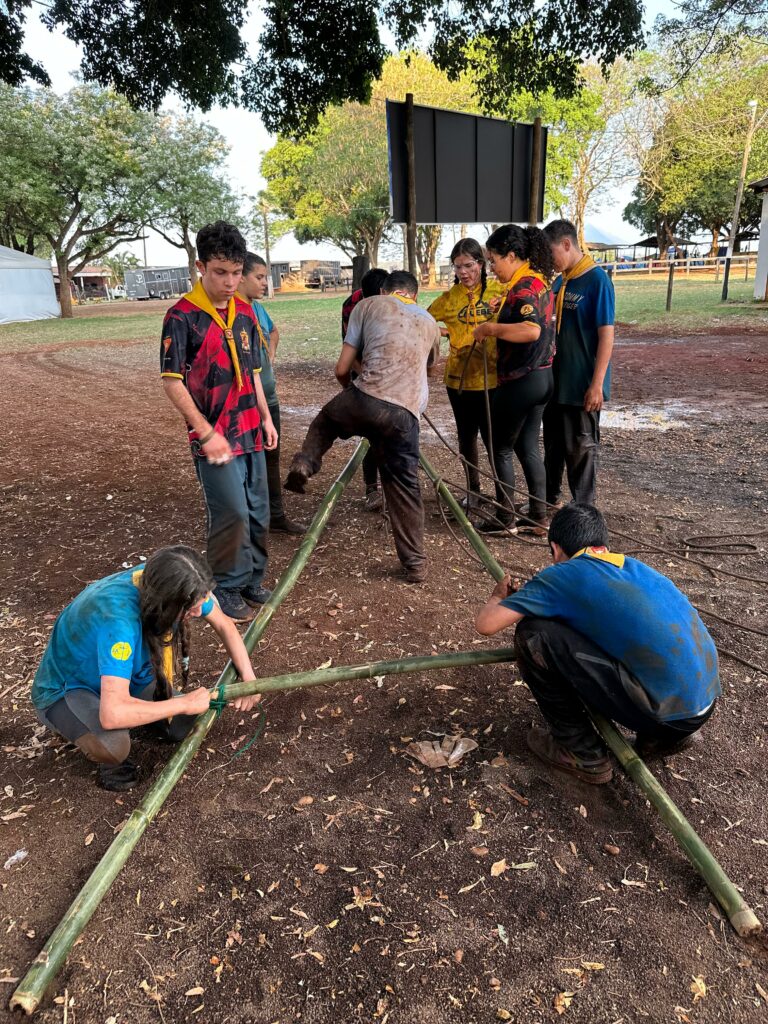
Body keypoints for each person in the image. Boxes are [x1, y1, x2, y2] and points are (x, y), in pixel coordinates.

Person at [475, 504, 720, 785]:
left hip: (667, 715)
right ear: (602, 544)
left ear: (556, 549)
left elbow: (486, 625)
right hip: (702, 703)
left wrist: (497, 597)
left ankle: (580, 751)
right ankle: (655, 741)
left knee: (534, 634)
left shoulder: (562, 574)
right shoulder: (634, 568)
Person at [31, 546, 261, 791]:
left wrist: (248, 678)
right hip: (70, 690)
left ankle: (138, 708)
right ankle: (106, 759)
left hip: (126, 675)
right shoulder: (119, 622)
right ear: (168, 602)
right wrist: (183, 703)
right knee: (113, 746)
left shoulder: (171, 581)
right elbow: (112, 715)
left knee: (181, 724)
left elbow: (224, 625)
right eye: (193, 607)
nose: (199, 610)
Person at [285, 270, 441, 583]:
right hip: (406, 414)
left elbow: (342, 368)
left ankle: (305, 462)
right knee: (405, 489)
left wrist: (351, 397)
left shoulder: (367, 305)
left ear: (384, 290)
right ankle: (415, 564)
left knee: (326, 421)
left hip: (366, 396)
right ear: (415, 295)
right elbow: (430, 370)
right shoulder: (430, 321)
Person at [160, 221, 278, 623]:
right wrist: (205, 432)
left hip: (250, 429)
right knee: (232, 512)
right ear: (200, 267)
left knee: (259, 511)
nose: (230, 282)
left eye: (235, 272)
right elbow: (171, 382)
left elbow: (254, 370)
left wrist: (265, 417)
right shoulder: (182, 317)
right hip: (215, 435)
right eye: (220, 273)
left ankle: (250, 579)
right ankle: (225, 585)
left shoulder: (245, 313)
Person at [472, 224, 556, 536]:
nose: (492, 268)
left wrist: (491, 329)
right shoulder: (536, 282)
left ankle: (505, 516)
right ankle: (538, 515)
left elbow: (530, 330)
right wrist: (501, 309)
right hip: (543, 377)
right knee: (527, 444)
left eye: (493, 260)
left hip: (522, 379)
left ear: (511, 255)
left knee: (499, 447)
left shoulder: (522, 288)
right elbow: (527, 315)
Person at [428, 239, 506, 513]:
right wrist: (448, 334)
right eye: (458, 267)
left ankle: (502, 494)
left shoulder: (500, 291)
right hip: (459, 382)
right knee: (466, 437)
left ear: (481, 265)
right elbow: (423, 321)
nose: (464, 272)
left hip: (493, 379)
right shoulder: (449, 299)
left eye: (469, 265)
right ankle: (474, 491)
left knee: (494, 440)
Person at [542, 219, 615, 507]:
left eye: (552, 254)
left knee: (581, 448)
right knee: (554, 446)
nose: (550, 261)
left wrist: (597, 385)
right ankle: (549, 501)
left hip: (581, 382)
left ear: (567, 244)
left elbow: (606, 336)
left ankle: (584, 509)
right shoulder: (562, 280)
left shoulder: (597, 281)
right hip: (557, 381)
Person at [238, 252, 306, 536]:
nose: (265, 283)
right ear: (240, 277)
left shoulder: (256, 309)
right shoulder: (231, 311)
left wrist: (270, 353)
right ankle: (249, 522)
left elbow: (273, 331)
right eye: (260, 277)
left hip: (269, 398)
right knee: (245, 463)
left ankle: (275, 516)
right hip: (245, 403)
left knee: (271, 457)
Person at [341, 267, 389, 512]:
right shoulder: (351, 306)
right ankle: (372, 488)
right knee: (372, 435)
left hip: (388, 373)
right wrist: (366, 377)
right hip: (363, 371)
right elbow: (349, 350)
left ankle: (393, 485)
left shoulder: (391, 300)